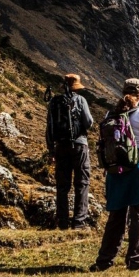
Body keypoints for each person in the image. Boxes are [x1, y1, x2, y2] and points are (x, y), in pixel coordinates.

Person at [91, 78, 139, 272]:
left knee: (116, 217)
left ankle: (104, 261)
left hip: (115, 171)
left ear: (122, 92)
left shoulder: (109, 113)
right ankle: (136, 261)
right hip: (138, 169)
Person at [45, 73, 94, 230]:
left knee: (62, 185)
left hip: (60, 146)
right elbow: (89, 123)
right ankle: (79, 222)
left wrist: (51, 150)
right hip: (79, 145)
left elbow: (49, 127)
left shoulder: (54, 102)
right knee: (82, 183)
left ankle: (63, 222)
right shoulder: (80, 100)